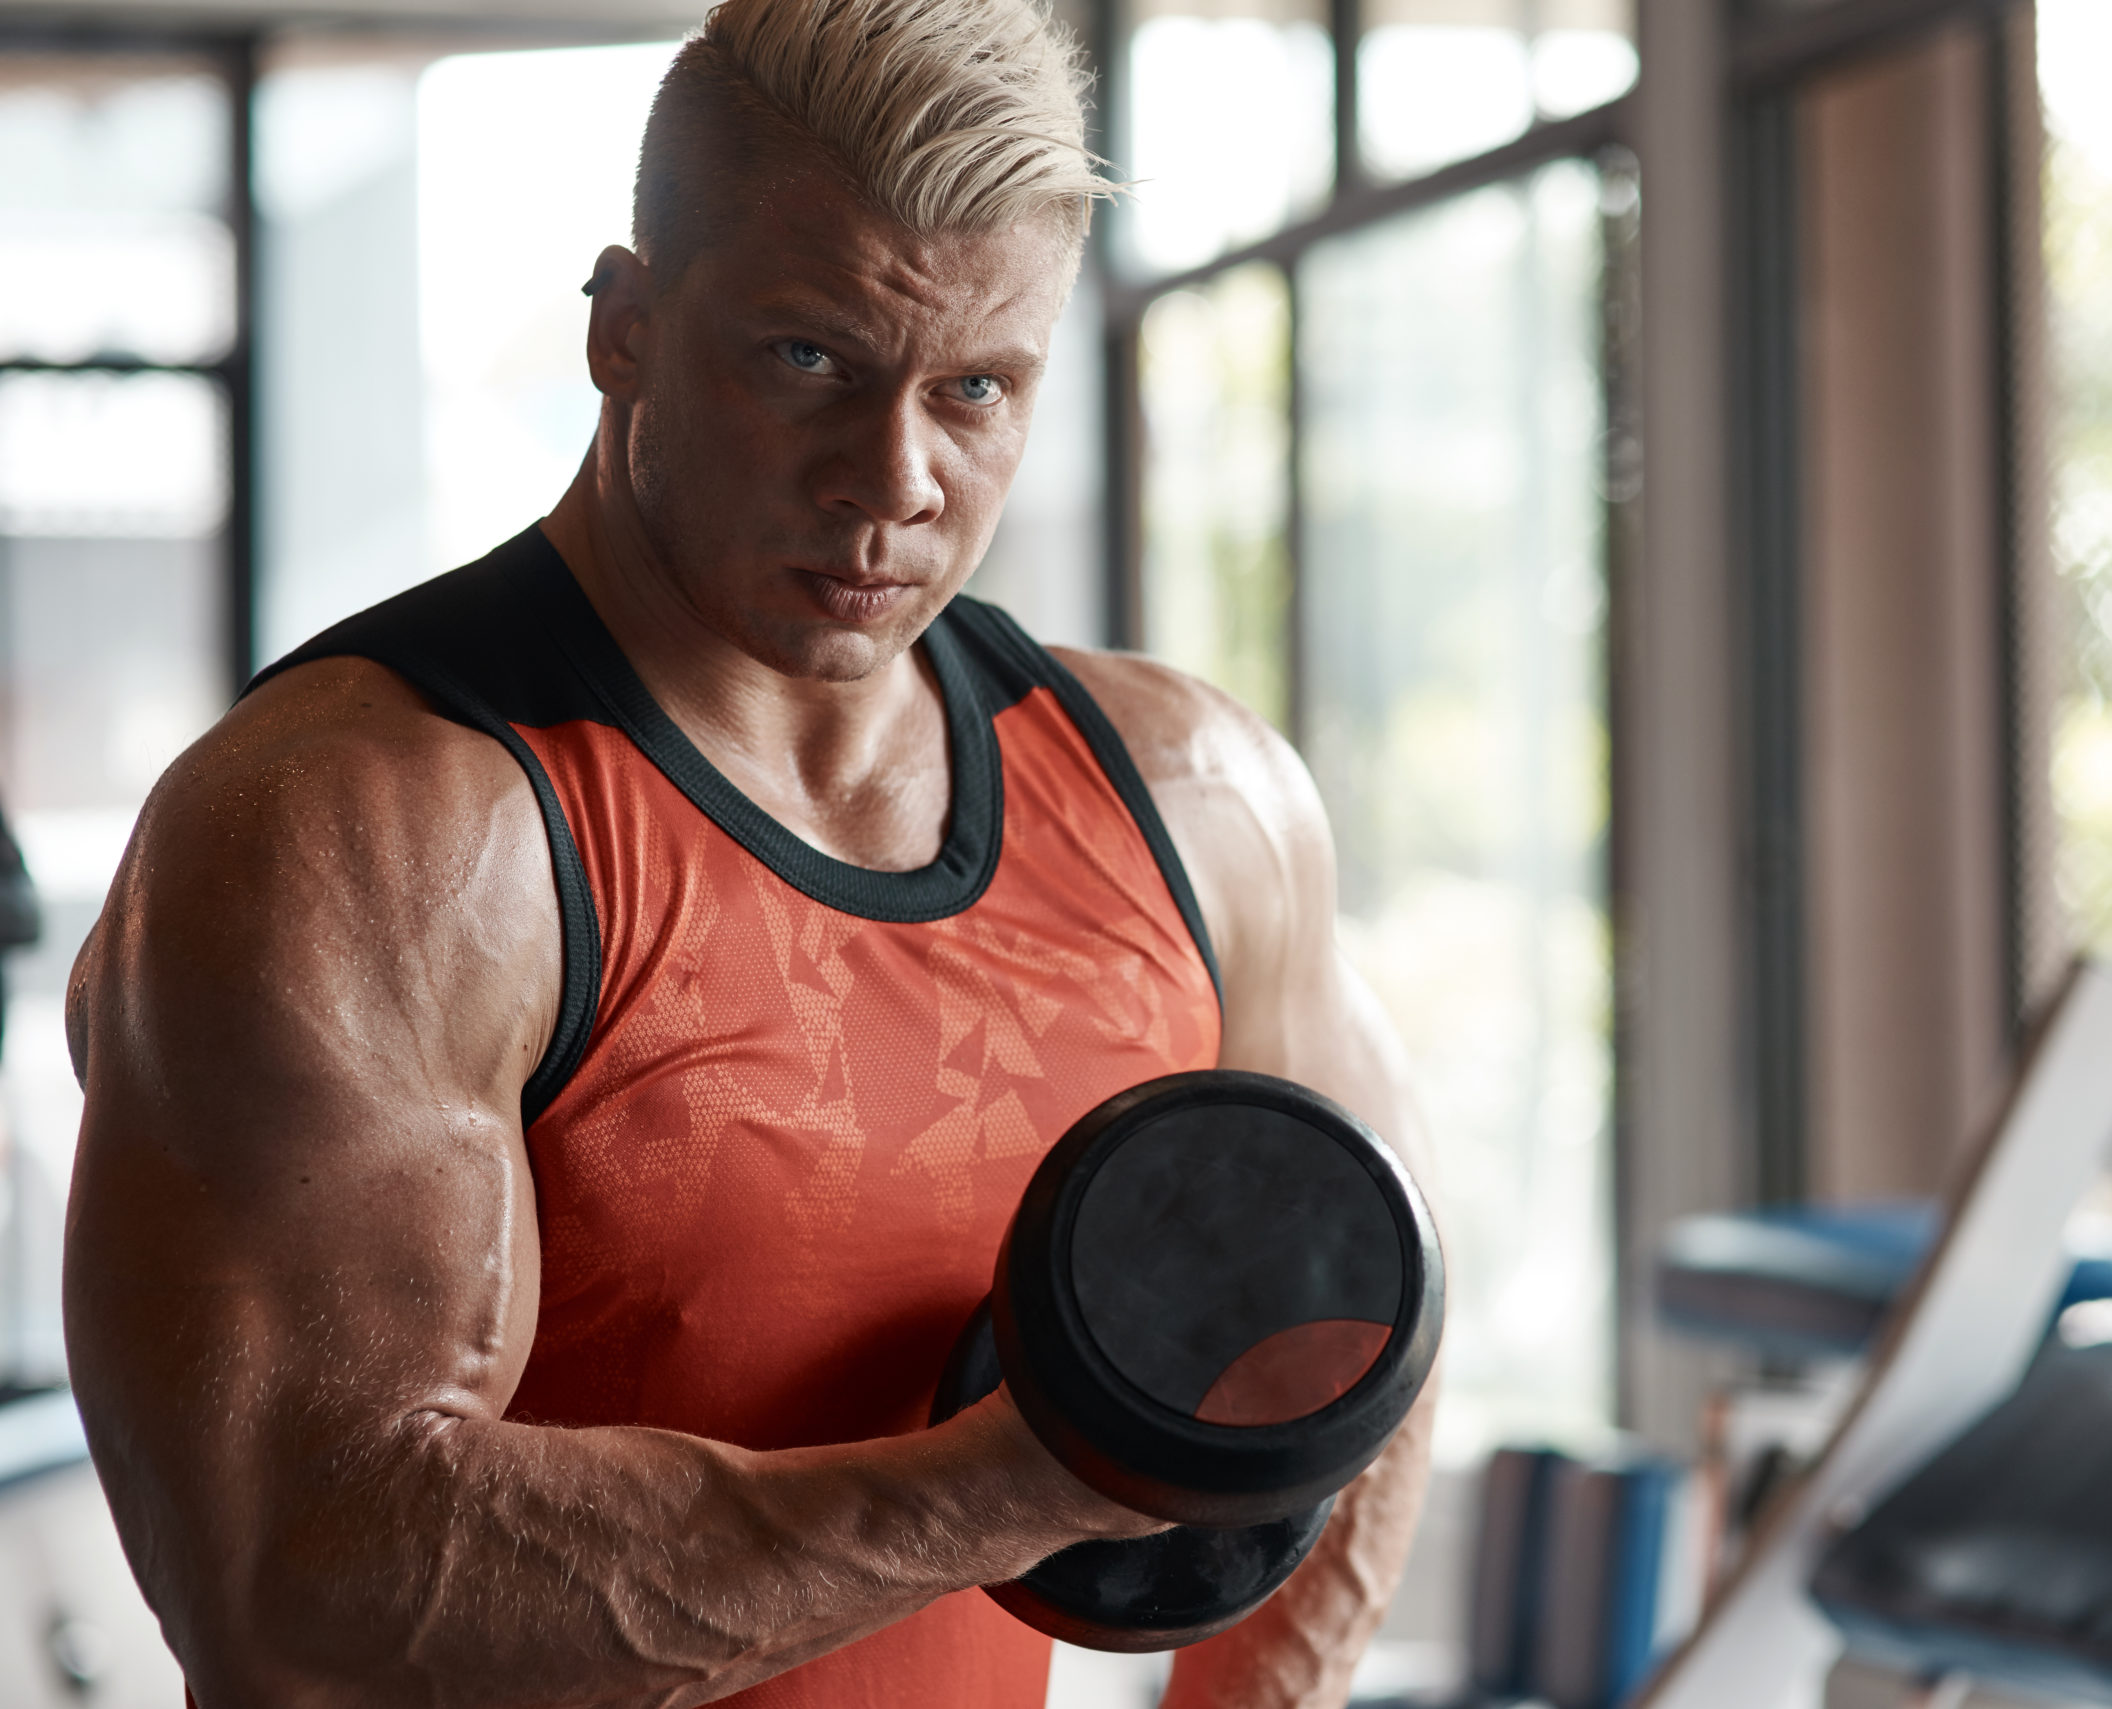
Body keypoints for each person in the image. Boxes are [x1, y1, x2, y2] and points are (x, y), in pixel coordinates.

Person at [60, 2, 1433, 1704]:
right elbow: (302, 1582)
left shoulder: (1191, 798)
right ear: (624, 328)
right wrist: (1021, 1489)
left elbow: (1367, 1335)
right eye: (810, 361)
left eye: (976, 388)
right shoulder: (368, 831)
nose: (895, 477)